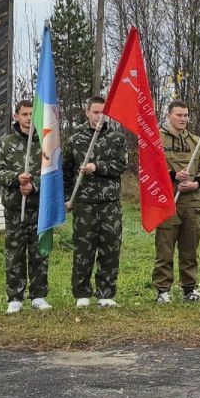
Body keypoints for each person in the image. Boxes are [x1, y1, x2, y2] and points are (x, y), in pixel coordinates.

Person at [63, 96, 127, 308]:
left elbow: (121, 165)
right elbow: (66, 172)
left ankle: (105, 293)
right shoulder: (75, 139)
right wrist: (67, 198)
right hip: (84, 203)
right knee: (84, 248)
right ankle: (82, 293)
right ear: (87, 112)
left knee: (110, 248)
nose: (99, 116)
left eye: (103, 113)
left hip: (109, 203)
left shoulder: (116, 138)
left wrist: (97, 167)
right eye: (95, 112)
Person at [0, 100, 49, 314]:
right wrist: (16, 178)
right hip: (15, 209)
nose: (28, 118)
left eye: (31, 114)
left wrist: (34, 186)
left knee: (39, 253)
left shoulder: (45, 142)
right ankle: (15, 297)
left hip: (39, 208)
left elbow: (53, 173)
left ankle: (39, 295)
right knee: (15, 253)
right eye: (24, 114)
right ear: (16, 116)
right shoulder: (6, 143)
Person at [152, 100, 200, 303]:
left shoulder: (195, 140)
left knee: (189, 249)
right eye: (179, 115)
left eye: (186, 115)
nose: (183, 119)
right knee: (165, 249)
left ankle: (190, 289)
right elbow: (151, 166)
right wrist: (173, 175)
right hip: (167, 202)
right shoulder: (157, 139)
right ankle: (163, 291)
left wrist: (196, 183)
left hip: (192, 204)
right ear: (169, 115)